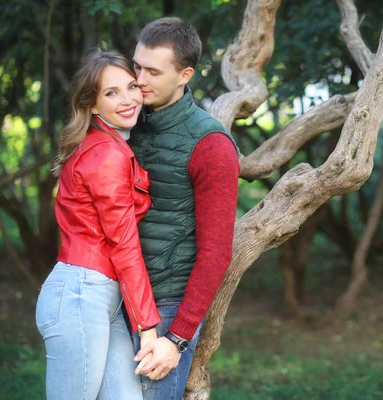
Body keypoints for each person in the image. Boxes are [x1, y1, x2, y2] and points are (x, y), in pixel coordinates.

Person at [35, 51, 162, 400]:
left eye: (131, 87)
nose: (127, 100)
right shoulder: (107, 155)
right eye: (111, 93)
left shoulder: (106, 146)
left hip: (100, 297)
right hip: (80, 295)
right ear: (92, 105)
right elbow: (123, 244)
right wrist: (147, 327)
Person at [128, 17, 240, 399]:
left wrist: (176, 339)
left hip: (165, 309)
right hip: (114, 299)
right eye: (136, 66)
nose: (139, 79)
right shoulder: (125, 122)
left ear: (184, 74)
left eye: (153, 71)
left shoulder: (211, 145)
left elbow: (216, 253)